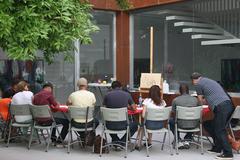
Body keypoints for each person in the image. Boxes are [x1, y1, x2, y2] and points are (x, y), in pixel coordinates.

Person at [191, 72, 234, 159]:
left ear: (193, 80)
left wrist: (197, 102)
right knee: (208, 124)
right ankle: (218, 147)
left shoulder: (198, 84)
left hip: (221, 107)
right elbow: (212, 96)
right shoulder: (208, 81)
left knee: (219, 129)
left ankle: (228, 153)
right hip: (228, 105)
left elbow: (200, 101)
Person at [32, 82, 69, 147]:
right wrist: (57, 104)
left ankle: (53, 138)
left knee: (52, 118)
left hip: (37, 121)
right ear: (49, 88)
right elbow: (56, 106)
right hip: (48, 121)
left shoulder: (35, 96)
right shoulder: (48, 94)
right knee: (66, 122)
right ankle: (59, 140)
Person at [103, 81, 138, 145]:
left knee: (106, 124)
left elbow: (104, 109)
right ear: (121, 87)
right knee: (135, 125)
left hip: (109, 125)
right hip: (124, 124)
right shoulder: (127, 94)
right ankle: (122, 142)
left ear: (111, 88)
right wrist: (128, 107)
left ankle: (116, 141)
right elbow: (134, 108)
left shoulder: (107, 95)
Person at [67, 77, 98, 143]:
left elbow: (67, 104)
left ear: (78, 85)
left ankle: (83, 137)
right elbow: (94, 105)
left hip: (76, 124)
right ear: (86, 85)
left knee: (70, 122)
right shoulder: (91, 94)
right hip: (88, 123)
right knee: (96, 122)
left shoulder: (73, 95)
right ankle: (85, 136)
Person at [169, 83, 198, 149]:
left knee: (171, 120)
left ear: (180, 91)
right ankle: (188, 139)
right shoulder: (195, 100)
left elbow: (173, 113)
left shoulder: (176, 100)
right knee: (194, 119)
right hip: (194, 125)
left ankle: (178, 140)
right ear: (188, 90)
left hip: (180, 124)